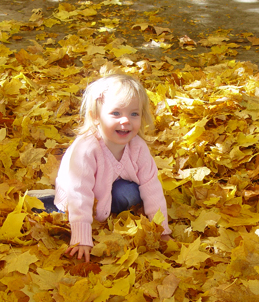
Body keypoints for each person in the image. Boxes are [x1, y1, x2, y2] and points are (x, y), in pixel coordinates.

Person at [37, 73, 172, 262]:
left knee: (131, 193)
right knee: (58, 211)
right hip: (77, 197)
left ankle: (107, 209)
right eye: (116, 113)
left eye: (134, 114)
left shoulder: (138, 147)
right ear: (96, 117)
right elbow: (80, 192)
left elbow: (152, 186)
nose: (125, 121)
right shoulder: (87, 150)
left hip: (109, 189)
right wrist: (82, 237)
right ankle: (44, 200)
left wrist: (161, 228)